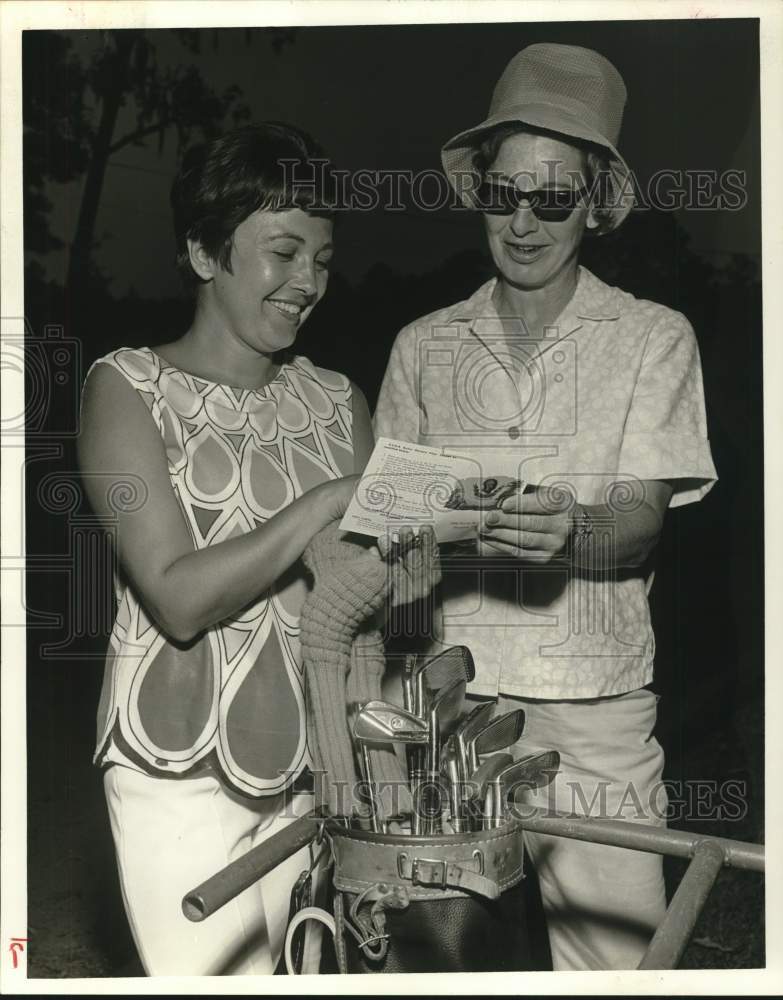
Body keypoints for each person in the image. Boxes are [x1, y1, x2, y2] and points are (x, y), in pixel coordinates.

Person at [374, 44, 718, 970]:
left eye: (553, 199)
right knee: (431, 964)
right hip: (444, 712)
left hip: (594, 714)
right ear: (479, 192)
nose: (522, 222)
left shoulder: (651, 337)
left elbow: (641, 516)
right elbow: (386, 539)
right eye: (503, 195)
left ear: (596, 203)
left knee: (619, 968)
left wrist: (575, 535)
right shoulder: (422, 345)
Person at [77, 122, 434, 976]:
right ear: (204, 252)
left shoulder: (336, 399)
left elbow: (370, 600)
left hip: (321, 769)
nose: (307, 281)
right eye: (282, 252)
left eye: (321, 257)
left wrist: (436, 537)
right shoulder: (125, 390)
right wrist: (328, 503)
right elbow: (177, 596)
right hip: (177, 769)